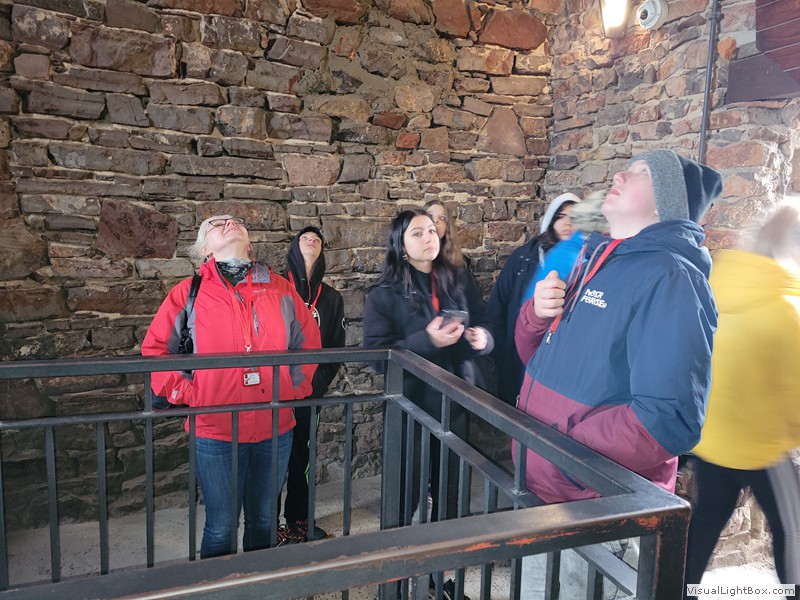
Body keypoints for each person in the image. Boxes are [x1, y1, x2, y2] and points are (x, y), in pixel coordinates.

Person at [515, 150, 722, 504]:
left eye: (642, 173)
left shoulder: (672, 278)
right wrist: (536, 314)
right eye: (626, 168)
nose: (619, 176)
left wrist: (567, 454)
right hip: (545, 477)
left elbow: (667, 418)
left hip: (592, 499)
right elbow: (537, 359)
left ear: (665, 206)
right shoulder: (596, 259)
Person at [142, 215, 321, 558]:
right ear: (204, 250)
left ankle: (257, 584)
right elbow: (156, 351)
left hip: (275, 425)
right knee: (221, 526)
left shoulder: (281, 289)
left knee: (264, 521)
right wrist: (191, 393)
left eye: (236, 221)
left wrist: (291, 389)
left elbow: (308, 344)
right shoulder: (188, 293)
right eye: (216, 223)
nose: (229, 223)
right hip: (215, 428)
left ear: (249, 244)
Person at [363, 208, 493, 598]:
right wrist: (428, 341)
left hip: (454, 402)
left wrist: (482, 339)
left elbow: (485, 321)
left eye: (432, 231)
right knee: (404, 498)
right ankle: (395, 582)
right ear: (401, 246)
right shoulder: (383, 294)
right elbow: (377, 357)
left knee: (452, 498)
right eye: (417, 233)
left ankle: (443, 578)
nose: (428, 237)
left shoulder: (457, 279)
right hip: (411, 407)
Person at [684, 205, 800, 595]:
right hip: (762, 449)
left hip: (714, 440)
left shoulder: (719, 285)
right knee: (792, 530)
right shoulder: (784, 310)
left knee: (705, 524)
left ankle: (676, 590)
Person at [278, 227, 346, 544]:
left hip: (309, 394)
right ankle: (266, 525)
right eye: (305, 236)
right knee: (270, 458)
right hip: (274, 390)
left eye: (317, 238)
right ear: (294, 246)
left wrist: (315, 385)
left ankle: (299, 520)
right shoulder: (275, 288)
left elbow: (335, 349)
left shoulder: (331, 298)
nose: (311, 239)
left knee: (302, 458)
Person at [487, 192, 580, 405]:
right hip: (517, 347)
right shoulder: (524, 257)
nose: (568, 223)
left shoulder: (586, 260)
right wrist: (501, 348)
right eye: (561, 216)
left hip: (559, 355)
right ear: (552, 219)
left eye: (574, 218)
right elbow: (499, 302)